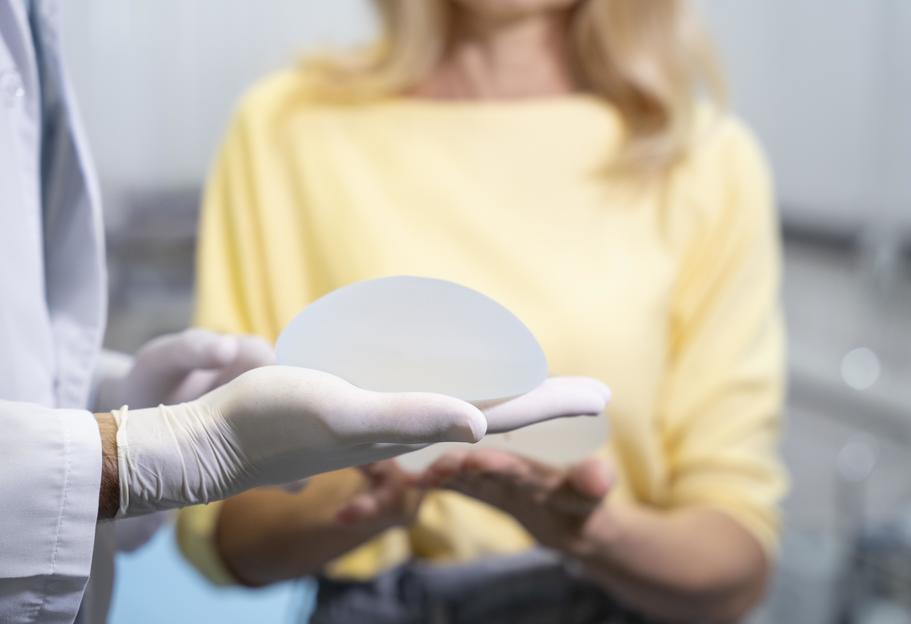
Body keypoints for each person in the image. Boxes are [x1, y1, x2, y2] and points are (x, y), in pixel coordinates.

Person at [177, 0, 788, 622]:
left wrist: (595, 535)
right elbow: (227, 523)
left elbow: (736, 556)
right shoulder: (287, 127)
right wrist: (364, 494)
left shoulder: (700, 157)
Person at [0, 2, 605, 622]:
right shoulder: (287, 124)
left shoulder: (668, 145)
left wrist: (100, 402)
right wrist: (141, 453)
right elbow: (235, 537)